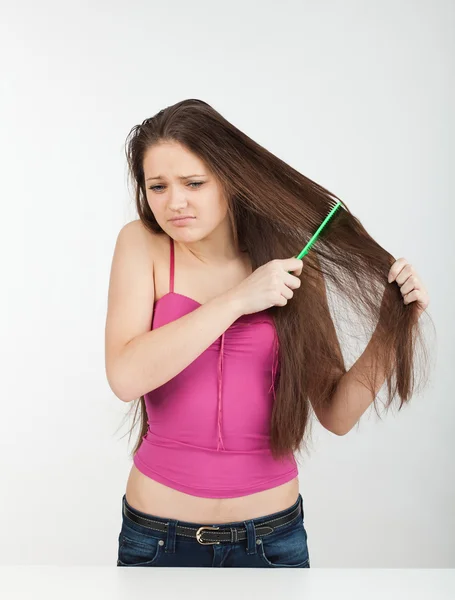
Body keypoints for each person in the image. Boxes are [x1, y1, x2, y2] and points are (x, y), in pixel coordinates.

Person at [105, 100, 430, 568]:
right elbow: (125, 376)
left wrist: (393, 327)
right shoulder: (142, 244)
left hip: (271, 539)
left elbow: (336, 413)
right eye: (158, 186)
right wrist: (238, 299)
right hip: (157, 537)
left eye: (194, 183)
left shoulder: (294, 262)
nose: (174, 203)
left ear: (230, 178)